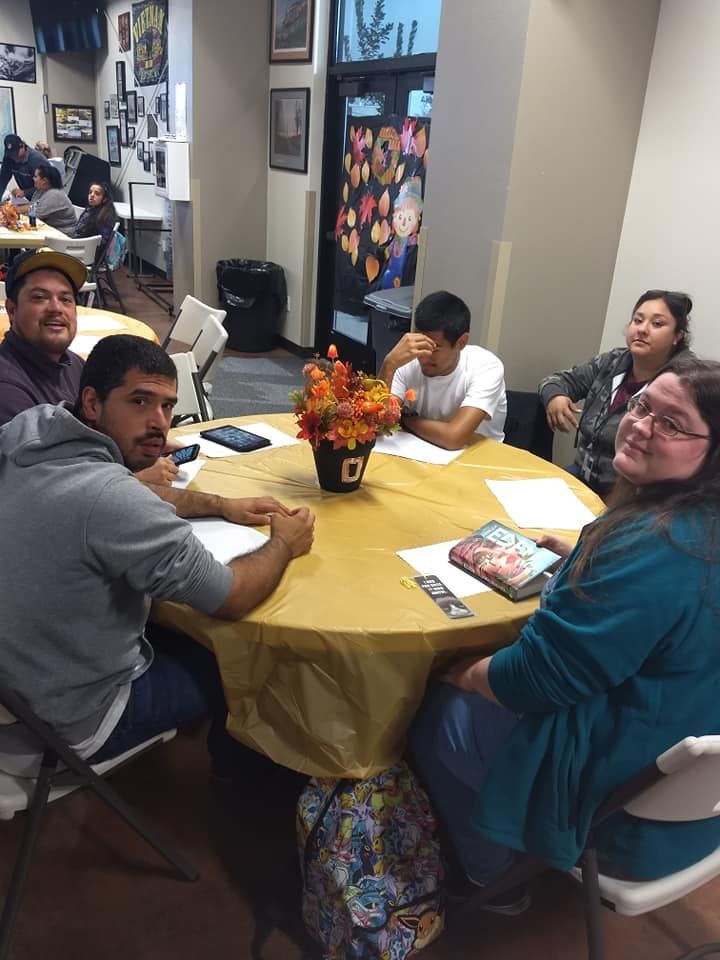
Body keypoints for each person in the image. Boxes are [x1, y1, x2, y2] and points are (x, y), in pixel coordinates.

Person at [410, 355, 720, 910]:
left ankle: (489, 876)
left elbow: (534, 680)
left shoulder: (653, 548)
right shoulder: (695, 529)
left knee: (437, 711)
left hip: (625, 812)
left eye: (672, 424)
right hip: (696, 806)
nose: (641, 423)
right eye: (644, 404)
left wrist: (461, 674)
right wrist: (587, 551)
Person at [0, 333, 315, 776]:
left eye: (167, 406)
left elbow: (131, 492)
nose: (159, 422)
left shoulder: (32, 428)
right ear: (92, 402)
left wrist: (220, 505)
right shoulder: (111, 499)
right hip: (66, 724)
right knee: (247, 659)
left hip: (18, 692)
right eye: (140, 402)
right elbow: (233, 595)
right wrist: (285, 541)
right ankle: (244, 785)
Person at [538, 290, 692, 497]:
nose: (643, 329)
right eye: (637, 320)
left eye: (657, 324)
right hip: (582, 476)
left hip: (633, 495)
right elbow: (555, 381)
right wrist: (555, 396)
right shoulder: (613, 362)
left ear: (677, 336)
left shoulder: (684, 382)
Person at [378, 290, 507, 449]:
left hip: (481, 462)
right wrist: (389, 365)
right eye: (421, 345)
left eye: (434, 348)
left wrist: (406, 420)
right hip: (420, 454)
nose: (423, 357)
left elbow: (453, 438)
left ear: (461, 342)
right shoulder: (407, 360)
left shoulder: (486, 367)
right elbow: (378, 424)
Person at [14, 162, 77, 234]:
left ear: (44, 181)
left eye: (35, 176)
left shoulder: (54, 195)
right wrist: (15, 209)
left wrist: (15, 210)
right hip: (50, 229)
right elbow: (32, 207)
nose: (33, 178)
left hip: (63, 234)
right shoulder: (40, 190)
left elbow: (34, 216)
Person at [73, 181, 117, 256]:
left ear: (105, 199)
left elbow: (101, 243)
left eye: (97, 194)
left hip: (86, 253)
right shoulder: (89, 210)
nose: (92, 195)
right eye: (90, 192)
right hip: (77, 245)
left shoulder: (106, 216)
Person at [0, 134, 46, 200]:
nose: (14, 158)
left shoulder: (37, 160)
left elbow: (46, 185)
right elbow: (2, 181)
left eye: (16, 154)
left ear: (22, 146)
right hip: (29, 200)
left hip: (44, 200)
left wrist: (25, 192)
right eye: (11, 155)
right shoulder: (9, 158)